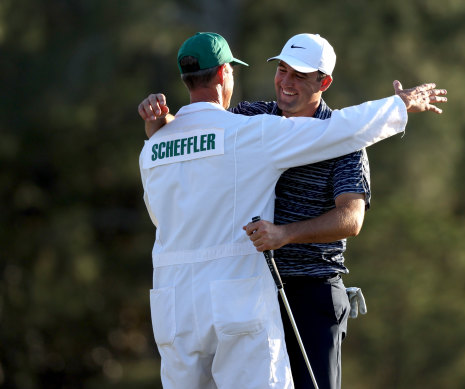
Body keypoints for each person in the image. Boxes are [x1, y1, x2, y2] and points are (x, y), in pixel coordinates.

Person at [138, 32, 446, 389]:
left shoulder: (346, 144)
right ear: (225, 73)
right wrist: (160, 124)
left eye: (299, 75)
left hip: (310, 291)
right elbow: (209, 135)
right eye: (282, 70)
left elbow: (352, 217)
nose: (285, 82)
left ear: (324, 82)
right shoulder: (253, 120)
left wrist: (286, 234)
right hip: (251, 291)